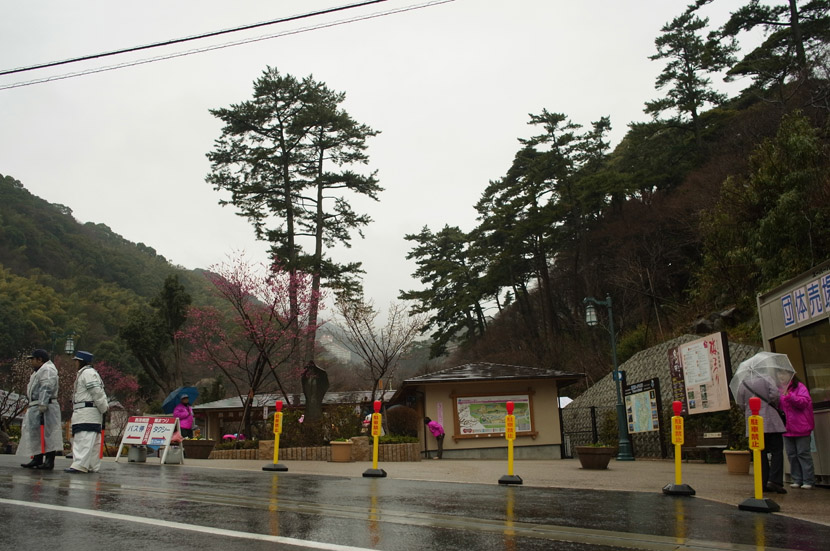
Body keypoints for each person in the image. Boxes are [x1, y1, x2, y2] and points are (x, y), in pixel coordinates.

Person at [736, 372, 787, 494]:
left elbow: (740, 403)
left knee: (759, 452)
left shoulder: (743, 383)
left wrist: (749, 409)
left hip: (753, 421)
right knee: (777, 451)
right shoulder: (767, 378)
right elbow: (775, 395)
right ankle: (775, 481)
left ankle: (762, 482)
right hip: (770, 420)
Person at [17, 349, 62, 470]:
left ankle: (49, 461)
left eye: (32, 359)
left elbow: (46, 386)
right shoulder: (38, 371)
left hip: (45, 405)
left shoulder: (47, 370)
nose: (31, 362)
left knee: (48, 433)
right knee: (35, 433)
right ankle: (37, 458)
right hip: (35, 405)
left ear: (39, 359)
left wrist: (43, 403)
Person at [65, 351, 108, 473]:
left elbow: (97, 392)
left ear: (81, 362)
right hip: (89, 412)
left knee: (83, 439)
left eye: (76, 361)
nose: (75, 363)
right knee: (92, 442)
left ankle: (80, 465)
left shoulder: (87, 373)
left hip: (86, 412)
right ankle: (91, 465)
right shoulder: (88, 373)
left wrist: (103, 407)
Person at [779, 374, 816, 489]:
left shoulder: (800, 387)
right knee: (791, 455)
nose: (781, 377)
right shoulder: (779, 389)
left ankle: (808, 480)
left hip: (801, 426)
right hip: (787, 428)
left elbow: (804, 402)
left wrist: (790, 396)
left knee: (803, 453)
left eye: (783, 374)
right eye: (779, 375)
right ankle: (797, 479)